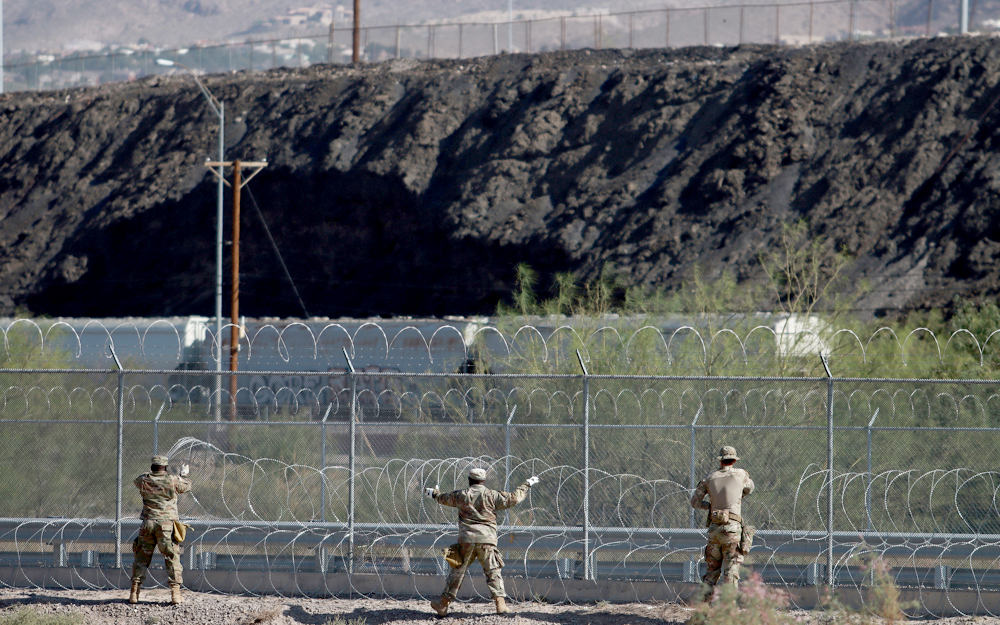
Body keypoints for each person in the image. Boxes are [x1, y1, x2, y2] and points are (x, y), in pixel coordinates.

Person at [425, 468, 540, 616]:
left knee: (457, 572)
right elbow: (513, 499)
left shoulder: (461, 495)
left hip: (466, 540)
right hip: (487, 540)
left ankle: (443, 604)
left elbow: (443, 498)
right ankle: (501, 605)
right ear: (483, 481)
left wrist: (433, 494)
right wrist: (526, 484)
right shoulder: (492, 495)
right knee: (493, 571)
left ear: (469, 480)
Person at [689, 445, 754, 601]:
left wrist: (711, 506)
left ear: (720, 460)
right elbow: (749, 489)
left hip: (714, 531)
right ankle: (727, 613)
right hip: (732, 531)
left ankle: (702, 611)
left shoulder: (709, 478)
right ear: (734, 460)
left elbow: (695, 502)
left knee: (711, 572)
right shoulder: (741, 475)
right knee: (731, 572)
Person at [129, 455, 192, 605]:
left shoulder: (144, 480)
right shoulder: (173, 480)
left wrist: (149, 474)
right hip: (166, 525)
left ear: (152, 467)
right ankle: (175, 594)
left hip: (148, 524)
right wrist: (184, 474)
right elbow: (186, 486)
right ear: (165, 467)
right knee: (172, 557)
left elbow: (137, 481)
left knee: (141, 558)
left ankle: (134, 592)